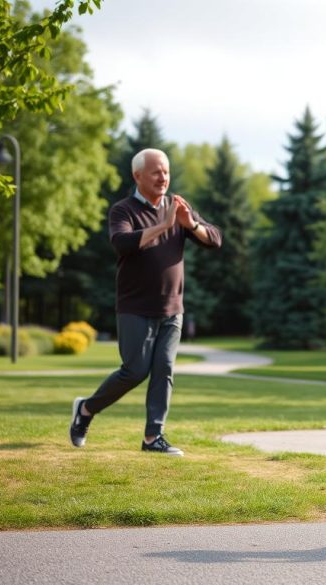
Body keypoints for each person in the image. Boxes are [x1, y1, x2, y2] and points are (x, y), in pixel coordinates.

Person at [69, 148, 222, 456]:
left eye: (165, 171)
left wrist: (188, 223)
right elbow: (122, 244)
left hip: (172, 309)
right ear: (137, 176)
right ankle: (86, 409)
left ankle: (153, 437)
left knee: (164, 368)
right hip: (135, 307)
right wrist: (164, 225)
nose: (162, 177)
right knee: (134, 371)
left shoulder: (177, 206)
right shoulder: (123, 210)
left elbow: (215, 239)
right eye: (155, 172)